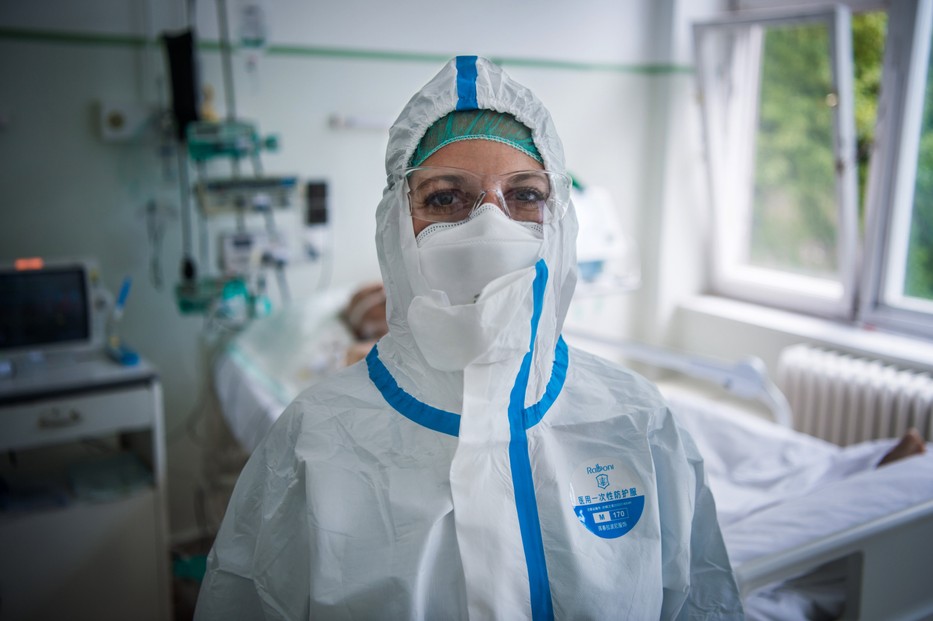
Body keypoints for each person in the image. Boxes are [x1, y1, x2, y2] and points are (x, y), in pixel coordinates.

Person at [194, 55, 743, 619]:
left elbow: (699, 601)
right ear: (395, 226)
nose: (489, 225)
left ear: (560, 219)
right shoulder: (314, 439)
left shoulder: (637, 418)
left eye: (525, 195)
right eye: (444, 198)